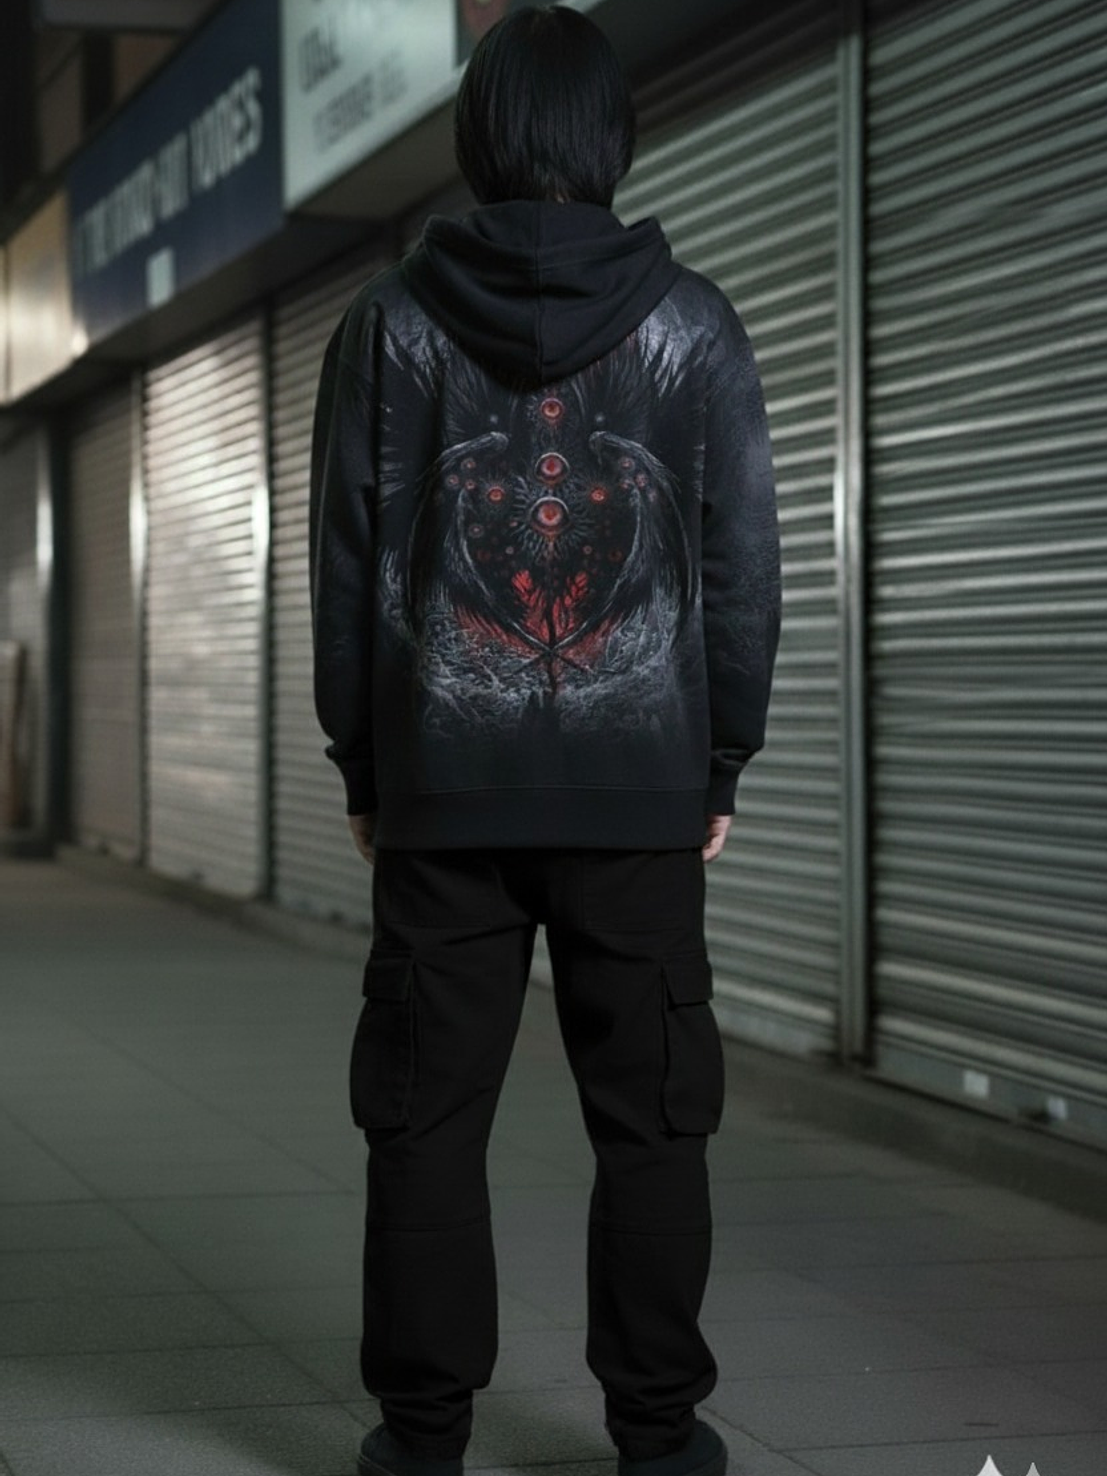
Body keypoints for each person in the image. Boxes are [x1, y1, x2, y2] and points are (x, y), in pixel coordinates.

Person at [310, 8, 781, 1476]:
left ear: (478, 137)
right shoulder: (693, 323)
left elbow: (343, 566)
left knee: (423, 1120)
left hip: (445, 795)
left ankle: (420, 1442)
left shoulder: (387, 324)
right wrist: (718, 763)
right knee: (653, 1124)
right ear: (612, 138)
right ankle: (659, 1438)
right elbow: (741, 566)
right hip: (638, 800)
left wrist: (365, 765)